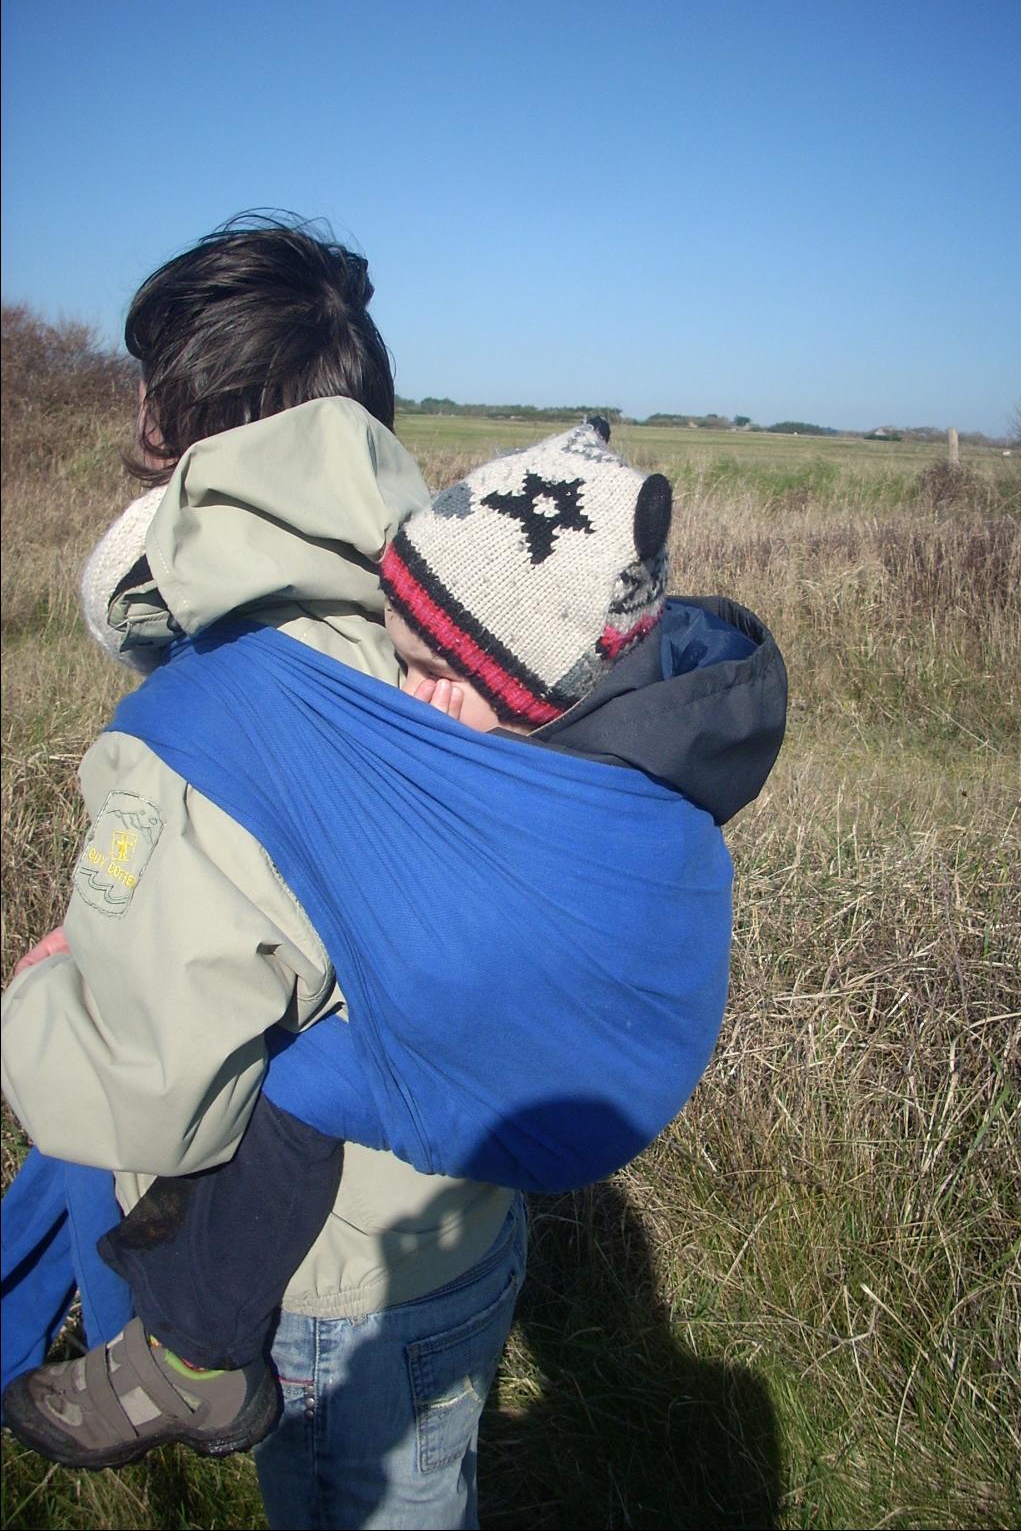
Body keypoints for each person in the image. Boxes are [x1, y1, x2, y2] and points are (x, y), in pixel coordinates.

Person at [2, 220, 789, 1528]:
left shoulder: (248, 701)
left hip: (333, 1290)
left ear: (168, 420)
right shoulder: (446, 605)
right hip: (463, 1229)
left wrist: (42, 997)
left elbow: (153, 1093)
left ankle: (186, 1365)